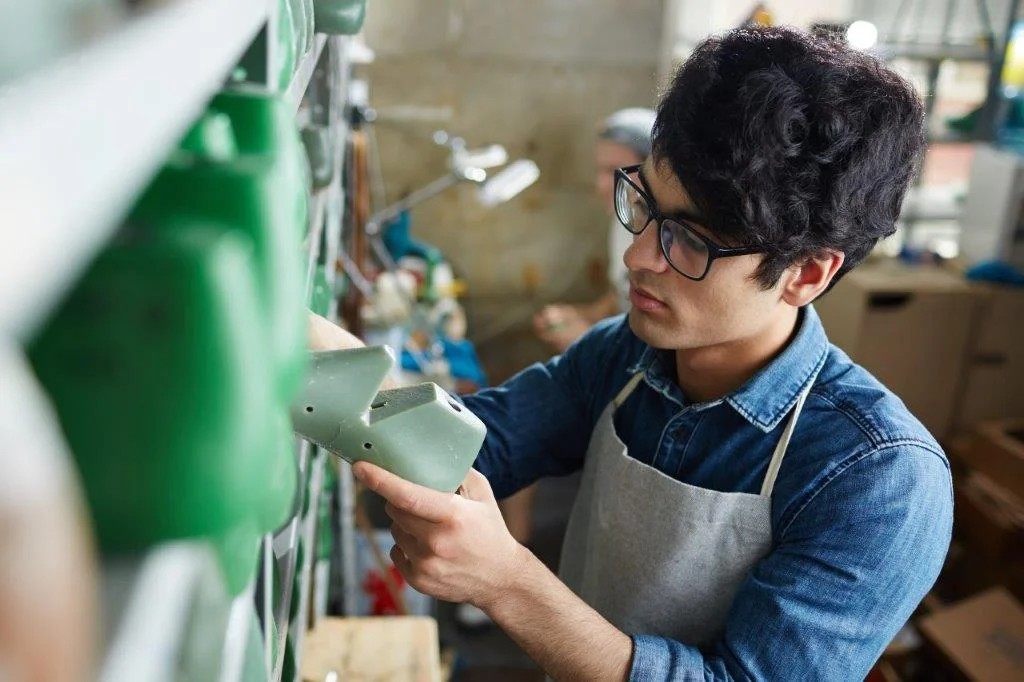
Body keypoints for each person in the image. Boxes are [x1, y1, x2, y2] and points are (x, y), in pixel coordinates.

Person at [311, 26, 953, 680]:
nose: (639, 256)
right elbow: (469, 442)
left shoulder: (879, 480)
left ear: (807, 274)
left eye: (692, 241)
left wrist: (506, 582)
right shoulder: (626, 357)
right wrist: (286, 339)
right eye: (644, 206)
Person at [533, 107, 656, 353]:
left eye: (616, 171)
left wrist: (586, 339)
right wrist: (577, 315)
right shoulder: (624, 220)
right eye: (600, 170)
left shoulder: (664, 237)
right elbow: (620, 299)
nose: (601, 186)